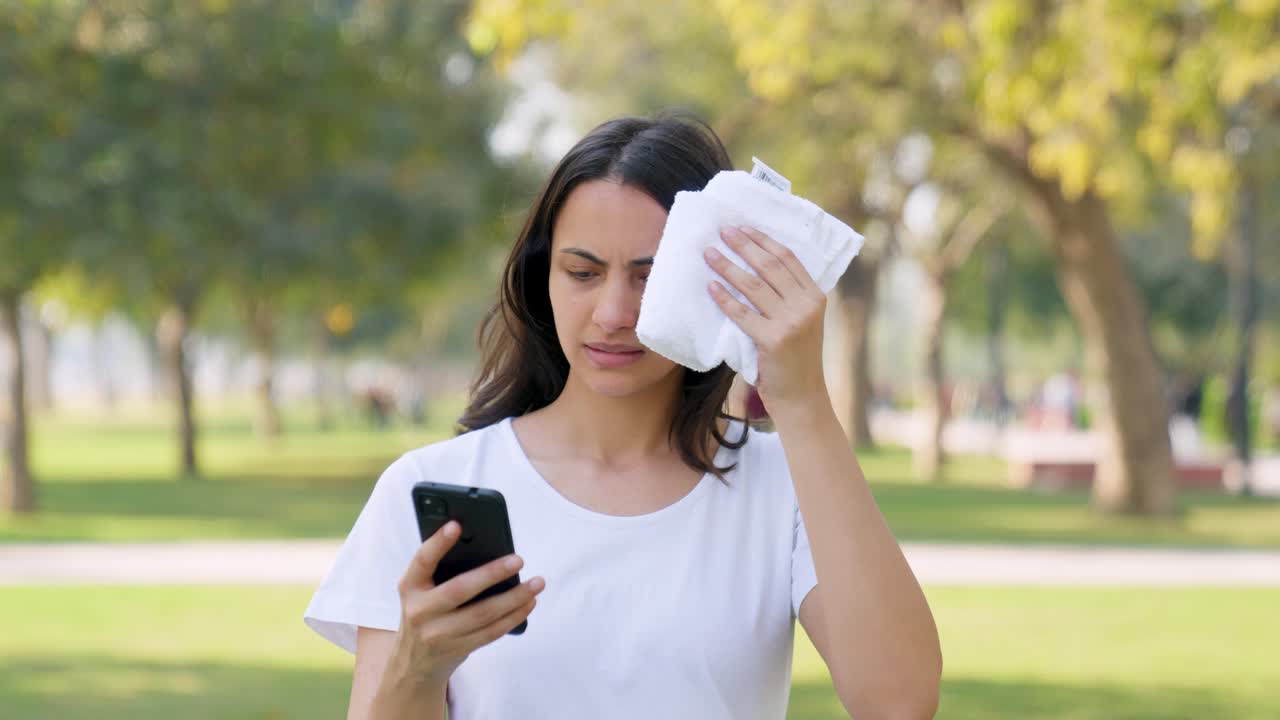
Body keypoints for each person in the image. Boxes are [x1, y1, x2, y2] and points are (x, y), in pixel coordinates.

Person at [303, 112, 942, 720]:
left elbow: (898, 703)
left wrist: (802, 402)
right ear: (542, 278)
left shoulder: (784, 485)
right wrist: (420, 664)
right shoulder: (429, 487)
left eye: (650, 275)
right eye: (582, 272)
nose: (613, 312)